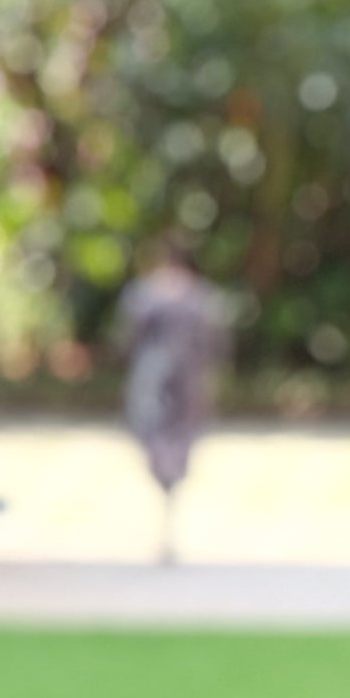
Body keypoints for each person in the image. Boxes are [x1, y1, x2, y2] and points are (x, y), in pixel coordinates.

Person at [117, 239, 226, 560]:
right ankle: (167, 527)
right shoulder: (202, 298)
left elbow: (127, 341)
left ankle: (166, 529)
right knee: (175, 453)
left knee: (159, 451)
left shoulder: (144, 295)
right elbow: (216, 346)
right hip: (187, 387)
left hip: (155, 384)